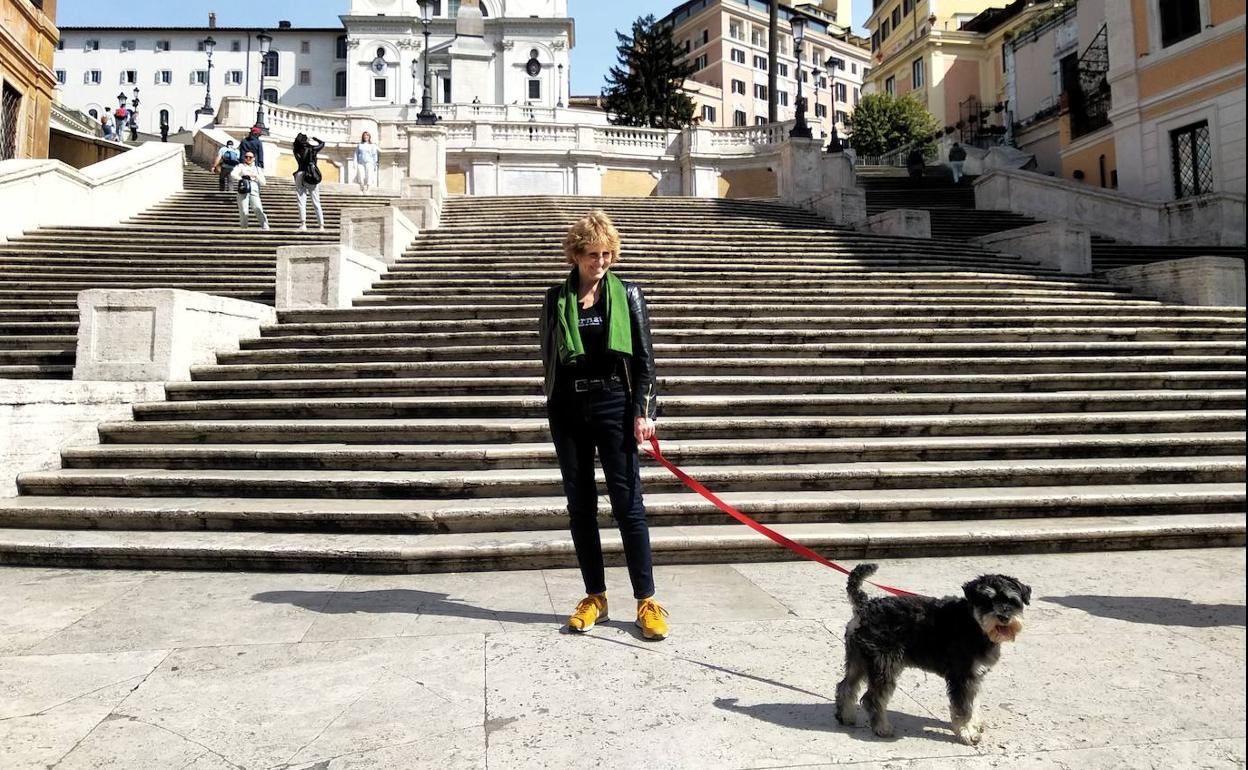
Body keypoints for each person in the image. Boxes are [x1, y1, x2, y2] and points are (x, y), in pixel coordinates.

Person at [539, 210, 667, 641]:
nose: (601, 262)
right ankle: (595, 595)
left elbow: (645, 361)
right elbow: (550, 358)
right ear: (575, 255)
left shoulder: (628, 294)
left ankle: (646, 601)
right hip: (569, 409)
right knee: (581, 507)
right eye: (593, 255)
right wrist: (553, 402)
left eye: (607, 254)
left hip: (615, 401)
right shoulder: (557, 298)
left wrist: (643, 411)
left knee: (628, 504)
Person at [292, 132, 326, 232]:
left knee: (301, 200)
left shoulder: (296, 149)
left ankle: (303, 224)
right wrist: (314, 138)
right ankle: (321, 226)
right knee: (316, 201)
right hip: (312, 174)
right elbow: (322, 143)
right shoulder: (312, 149)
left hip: (300, 174)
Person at [229, 150, 269, 230]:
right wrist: (242, 178)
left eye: (250, 157)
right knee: (244, 210)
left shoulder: (257, 169)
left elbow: (263, 182)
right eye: (246, 157)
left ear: (254, 158)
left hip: (254, 188)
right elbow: (233, 174)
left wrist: (256, 176)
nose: (248, 158)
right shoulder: (240, 166)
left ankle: (265, 226)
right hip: (243, 188)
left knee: (258, 208)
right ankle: (244, 228)